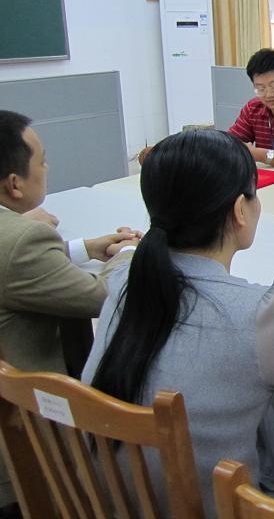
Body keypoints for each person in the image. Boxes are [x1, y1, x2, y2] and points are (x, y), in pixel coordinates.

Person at [82, 130, 274, 517]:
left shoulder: (125, 279)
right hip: (224, 506)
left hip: (115, 500)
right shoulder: (263, 314)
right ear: (240, 209)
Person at [0, 110, 139, 514]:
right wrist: (130, 252)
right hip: (32, 425)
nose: (48, 167)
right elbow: (103, 296)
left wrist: (85, 248)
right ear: (14, 184)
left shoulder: (17, 236)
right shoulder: (22, 238)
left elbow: (16, 264)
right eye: (42, 161)